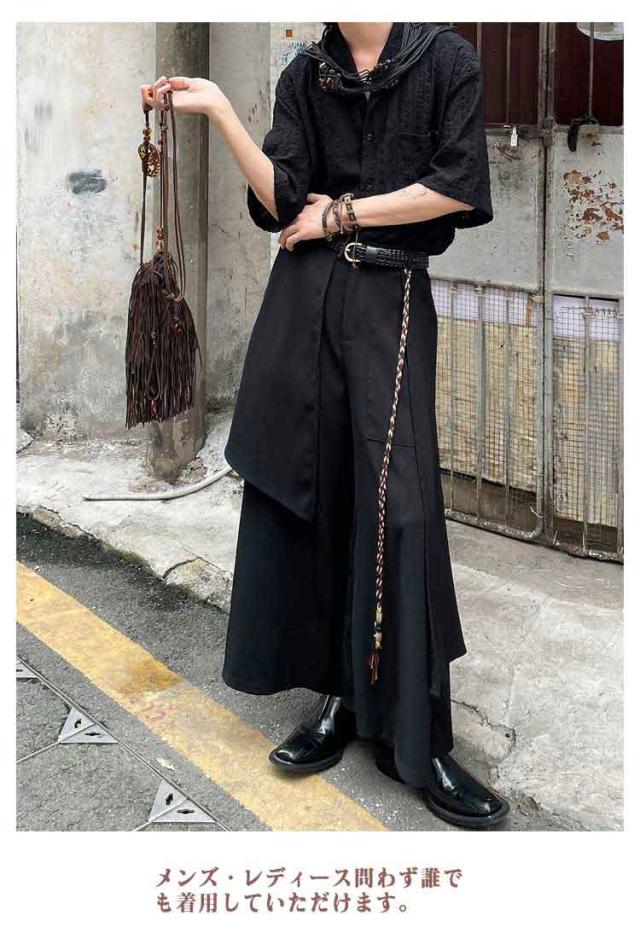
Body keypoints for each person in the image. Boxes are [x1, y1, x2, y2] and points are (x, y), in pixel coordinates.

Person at [141, 21, 509, 830]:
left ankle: (420, 739)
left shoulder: (445, 59)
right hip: (303, 300)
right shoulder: (307, 72)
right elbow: (281, 203)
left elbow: (456, 185)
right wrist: (222, 112)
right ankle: (341, 700)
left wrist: (340, 214)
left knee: (403, 513)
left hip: (391, 297)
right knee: (319, 498)